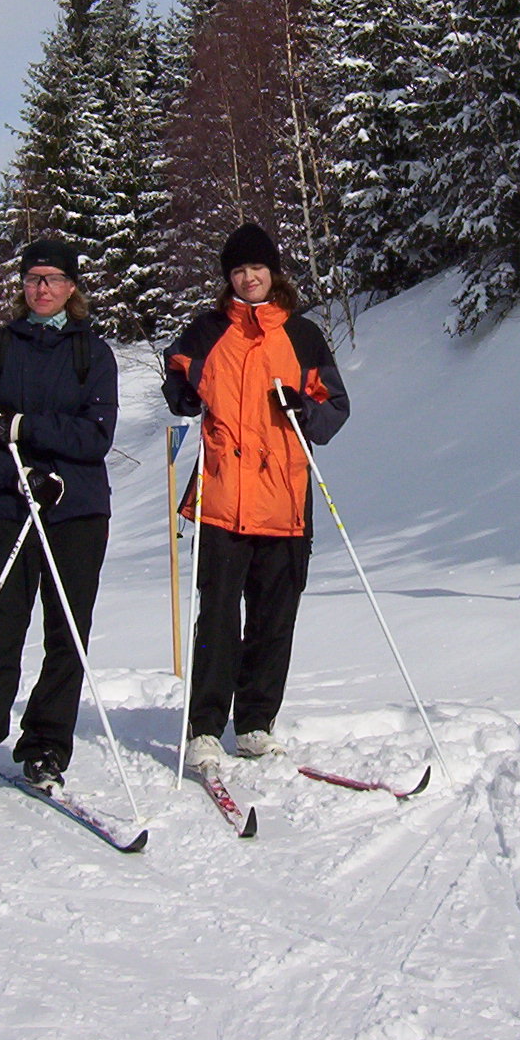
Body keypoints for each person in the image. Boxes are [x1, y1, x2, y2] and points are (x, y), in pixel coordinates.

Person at [0, 239, 118, 800]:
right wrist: (16, 474)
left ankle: (44, 748)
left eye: (54, 278)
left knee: (68, 635)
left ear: (72, 288)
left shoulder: (94, 354)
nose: (42, 288)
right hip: (4, 507)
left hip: (77, 510)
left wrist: (22, 428)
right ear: (22, 284)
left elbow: (95, 436)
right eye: (34, 277)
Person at [163, 222, 349, 768]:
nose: (248, 278)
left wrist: (306, 410)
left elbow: (335, 407)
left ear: (274, 274)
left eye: (257, 269)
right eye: (239, 271)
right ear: (229, 278)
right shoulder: (207, 331)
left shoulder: (303, 335)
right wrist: (182, 394)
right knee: (217, 619)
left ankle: (255, 723)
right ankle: (204, 727)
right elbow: (177, 374)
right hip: (223, 499)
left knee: (274, 620)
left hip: (286, 502)